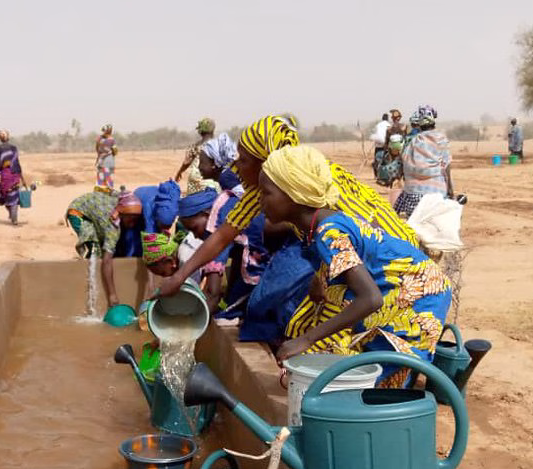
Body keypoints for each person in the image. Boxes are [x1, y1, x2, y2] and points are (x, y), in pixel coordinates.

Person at [159, 113, 419, 301]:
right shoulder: (263, 189)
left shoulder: (312, 181)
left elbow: (362, 236)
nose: (236, 167)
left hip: (391, 262)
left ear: (268, 162)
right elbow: (222, 235)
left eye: (245, 160)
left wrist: (322, 277)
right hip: (350, 262)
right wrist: (179, 277)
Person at [260, 145, 451, 387]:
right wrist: (319, 282)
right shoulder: (321, 224)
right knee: (360, 365)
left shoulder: (328, 232)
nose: (260, 201)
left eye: (266, 193)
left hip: (418, 298)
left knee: (380, 382)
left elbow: (370, 299)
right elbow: (346, 260)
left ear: (294, 193)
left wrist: (306, 340)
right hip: (402, 294)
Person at [65, 187, 144, 308]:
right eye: (130, 220)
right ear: (121, 214)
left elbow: (113, 192)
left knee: (105, 246)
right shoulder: (113, 227)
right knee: (95, 250)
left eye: (136, 220)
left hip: (93, 210)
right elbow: (107, 260)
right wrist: (112, 294)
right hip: (78, 212)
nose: (133, 224)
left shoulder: (122, 201)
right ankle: (90, 277)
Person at [394, 105, 453, 216]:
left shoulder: (413, 141)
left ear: (419, 126)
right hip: (436, 197)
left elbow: (403, 162)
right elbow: (447, 167)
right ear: (434, 122)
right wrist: (450, 191)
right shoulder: (441, 139)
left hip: (412, 198)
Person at [175, 117, 218, 195]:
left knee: (193, 199)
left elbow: (186, 162)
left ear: (200, 132)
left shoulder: (195, 146)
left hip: (195, 178)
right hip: (211, 180)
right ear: (212, 131)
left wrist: (180, 172)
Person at [95, 124, 117, 190]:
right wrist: (109, 152)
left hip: (101, 160)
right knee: (110, 178)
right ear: (110, 131)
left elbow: (97, 149)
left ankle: (101, 191)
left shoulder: (99, 139)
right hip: (110, 161)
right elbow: (115, 151)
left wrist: (100, 156)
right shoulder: (112, 140)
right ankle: (110, 190)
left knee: (101, 178)